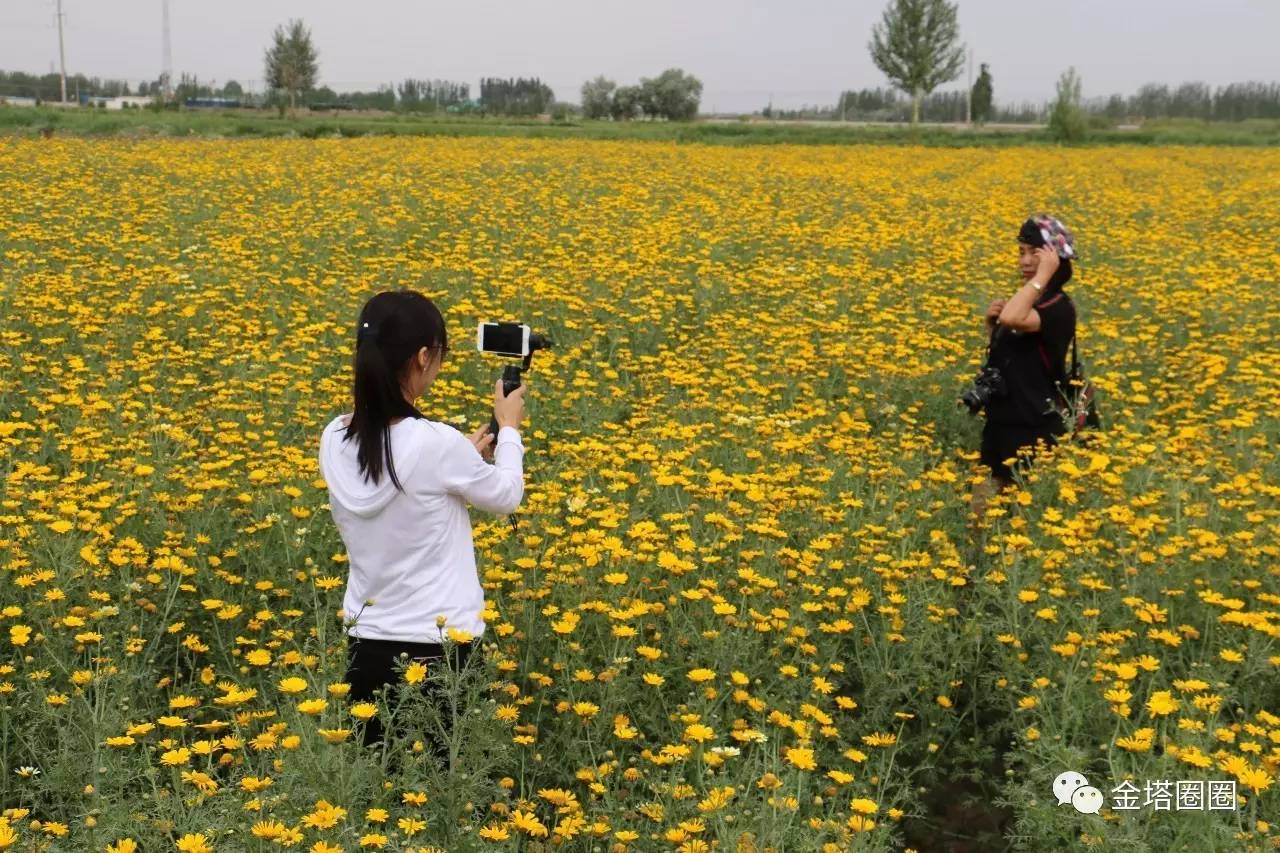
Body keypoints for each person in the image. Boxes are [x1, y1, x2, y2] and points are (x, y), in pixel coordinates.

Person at [317, 289, 527, 767]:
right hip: (438, 650)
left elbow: (398, 475)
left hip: (365, 645)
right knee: (436, 794)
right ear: (423, 356)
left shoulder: (334, 436)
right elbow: (506, 494)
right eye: (439, 356)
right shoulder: (436, 444)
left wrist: (461, 460)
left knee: (380, 788)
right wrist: (509, 428)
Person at [970, 215, 1078, 520]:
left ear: (1057, 260)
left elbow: (1014, 319)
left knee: (1023, 522)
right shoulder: (1032, 302)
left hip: (1033, 433)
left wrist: (1042, 274)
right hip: (1001, 426)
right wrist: (993, 330)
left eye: (1036, 254)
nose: (1026, 262)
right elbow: (1015, 353)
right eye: (1022, 253)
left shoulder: (1058, 306)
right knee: (980, 517)